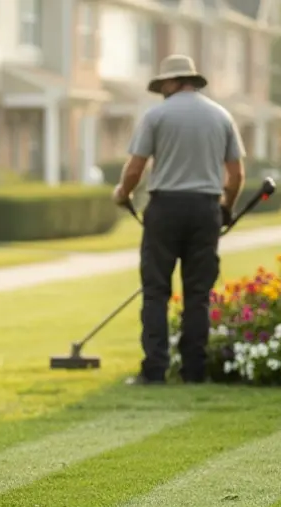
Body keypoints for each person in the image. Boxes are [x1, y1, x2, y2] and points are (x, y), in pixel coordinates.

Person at [113, 54, 246, 385]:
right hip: (205, 209)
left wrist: (122, 193)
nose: (161, 92)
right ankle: (194, 372)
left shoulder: (156, 116)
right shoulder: (221, 116)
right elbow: (236, 175)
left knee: (156, 290)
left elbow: (134, 168)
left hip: (166, 209)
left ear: (173, 82)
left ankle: (155, 371)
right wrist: (226, 208)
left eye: (163, 85)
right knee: (197, 294)